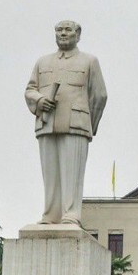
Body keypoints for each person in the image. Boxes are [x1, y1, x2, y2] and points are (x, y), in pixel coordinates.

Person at [24, 20, 107, 227]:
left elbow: (100, 96)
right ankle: (50, 214)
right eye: (59, 30)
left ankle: (71, 214)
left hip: (76, 124)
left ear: (78, 34)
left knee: (72, 174)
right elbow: (30, 89)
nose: (63, 33)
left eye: (68, 30)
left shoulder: (89, 61)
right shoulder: (42, 62)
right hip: (47, 123)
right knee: (50, 173)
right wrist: (40, 101)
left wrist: (89, 124)